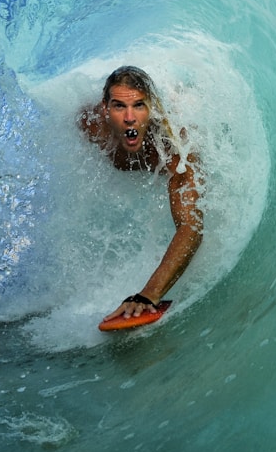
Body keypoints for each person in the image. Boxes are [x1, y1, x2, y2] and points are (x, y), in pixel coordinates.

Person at [78, 66, 203, 323]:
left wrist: (148, 295)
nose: (129, 118)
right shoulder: (91, 127)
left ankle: (178, 93)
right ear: (105, 108)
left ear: (151, 108)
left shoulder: (173, 147)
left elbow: (191, 227)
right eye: (119, 107)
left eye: (139, 106)